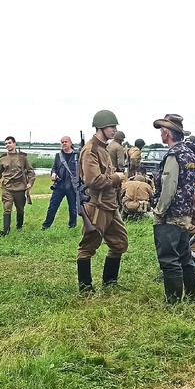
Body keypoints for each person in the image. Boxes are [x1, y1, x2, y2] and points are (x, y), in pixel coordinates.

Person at [150, 113, 195, 304]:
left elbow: (169, 187)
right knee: (185, 258)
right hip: (185, 214)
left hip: (170, 217)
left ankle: (173, 301)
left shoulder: (173, 155)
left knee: (169, 260)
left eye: (162, 131)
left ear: (167, 133)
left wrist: (159, 211)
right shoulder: (190, 153)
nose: (161, 135)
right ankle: (191, 297)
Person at [77, 110, 128, 293]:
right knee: (88, 247)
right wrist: (116, 177)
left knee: (120, 243)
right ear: (101, 127)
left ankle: (110, 282)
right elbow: (93, 180)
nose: (114, 130)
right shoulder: (90, 149)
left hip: (110, 204)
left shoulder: (104, 148)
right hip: (97, 205)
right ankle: (85, 287)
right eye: (112, 126)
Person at [0, 136, 35, 235]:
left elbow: (30, 171)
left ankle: (19, 227)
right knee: (7, 207)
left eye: (9, 143)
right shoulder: (3, 158)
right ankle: (6, 230)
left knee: (20, 209)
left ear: (14, 144)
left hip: (20, 187)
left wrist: (30, 183)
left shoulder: (22, 157)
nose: (7, 145)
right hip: (7, 187)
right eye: (6, 144)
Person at [42, 135, 79, 230]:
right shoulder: (59, 156)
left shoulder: (77, 155)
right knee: (52, 207)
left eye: (66, 142)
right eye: (62, 142)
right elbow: (54, 168)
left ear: (70, 143)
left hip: (72, 186)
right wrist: (53, 173)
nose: (64, 144)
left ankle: (72, 226)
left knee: (73, 208)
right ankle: (46, 226)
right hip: (59, 185)